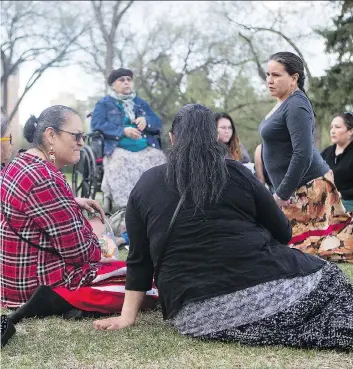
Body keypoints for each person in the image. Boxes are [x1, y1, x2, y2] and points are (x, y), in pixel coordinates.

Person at [93, 104, 353, 350]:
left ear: (172, 138)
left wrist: (127, 317)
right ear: (215, 138)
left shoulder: (146, 184)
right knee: (333, 278)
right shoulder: (237, 173)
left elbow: (139, 259)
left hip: (191, 315)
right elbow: (283, 232)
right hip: (262, 287)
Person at [0, 105, 157, 321]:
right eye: (76, 136)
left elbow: (27, 208)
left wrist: (71, 202)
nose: (82, 142)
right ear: (51, 136)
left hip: (15, 281)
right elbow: (80, 254)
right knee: (147, 284)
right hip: (40, 285)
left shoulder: (20, 164)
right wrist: (99, 233)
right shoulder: (45, 178)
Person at [259, 51, 353, 262]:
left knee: (308, 249)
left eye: (276, 75)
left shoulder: (297, 105)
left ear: (294, 78)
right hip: (297, 186)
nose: (269, 80)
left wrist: (282, 193)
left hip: (307, 186)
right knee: (298, 247)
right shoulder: (284, 102)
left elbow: (302, 153)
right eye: (268, 74)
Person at [91, 68, 166, 209]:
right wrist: (122, 130)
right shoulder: (104, 103)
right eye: (122, 80)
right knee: (121, 162)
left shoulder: (140, 103)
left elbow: (158, 123)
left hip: (145, 147)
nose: (126, 83)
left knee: (159, 158)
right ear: (113, 85)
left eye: (129, 80)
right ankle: (127, 207)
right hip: (118, 148)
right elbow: (97, 125)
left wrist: (146, 120)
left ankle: (155, 203)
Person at [321, 112, 353, 212]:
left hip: (348, 204)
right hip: (326, 203)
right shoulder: (327, 152)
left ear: (350, 131)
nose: (333, 131)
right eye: (331, 127)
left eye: (337, 127)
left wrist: (341, 194)